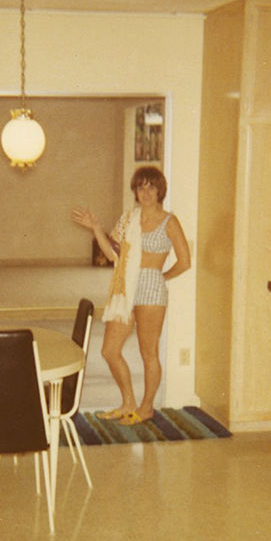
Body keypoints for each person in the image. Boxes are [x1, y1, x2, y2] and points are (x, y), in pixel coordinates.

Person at [71, 165, 191, 425]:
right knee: (109, 350)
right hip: (125, 287)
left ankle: (146, 408)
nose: (145, 192)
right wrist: (95, 228)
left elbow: (184, 261)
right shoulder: (128, 219)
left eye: (151, 186)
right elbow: (113, 253)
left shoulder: (169, 222)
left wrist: (162, 277)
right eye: (140, 187)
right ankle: (128, 402)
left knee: (149, 352)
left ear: (160, 190)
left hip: (151, 288)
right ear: (135, 191)